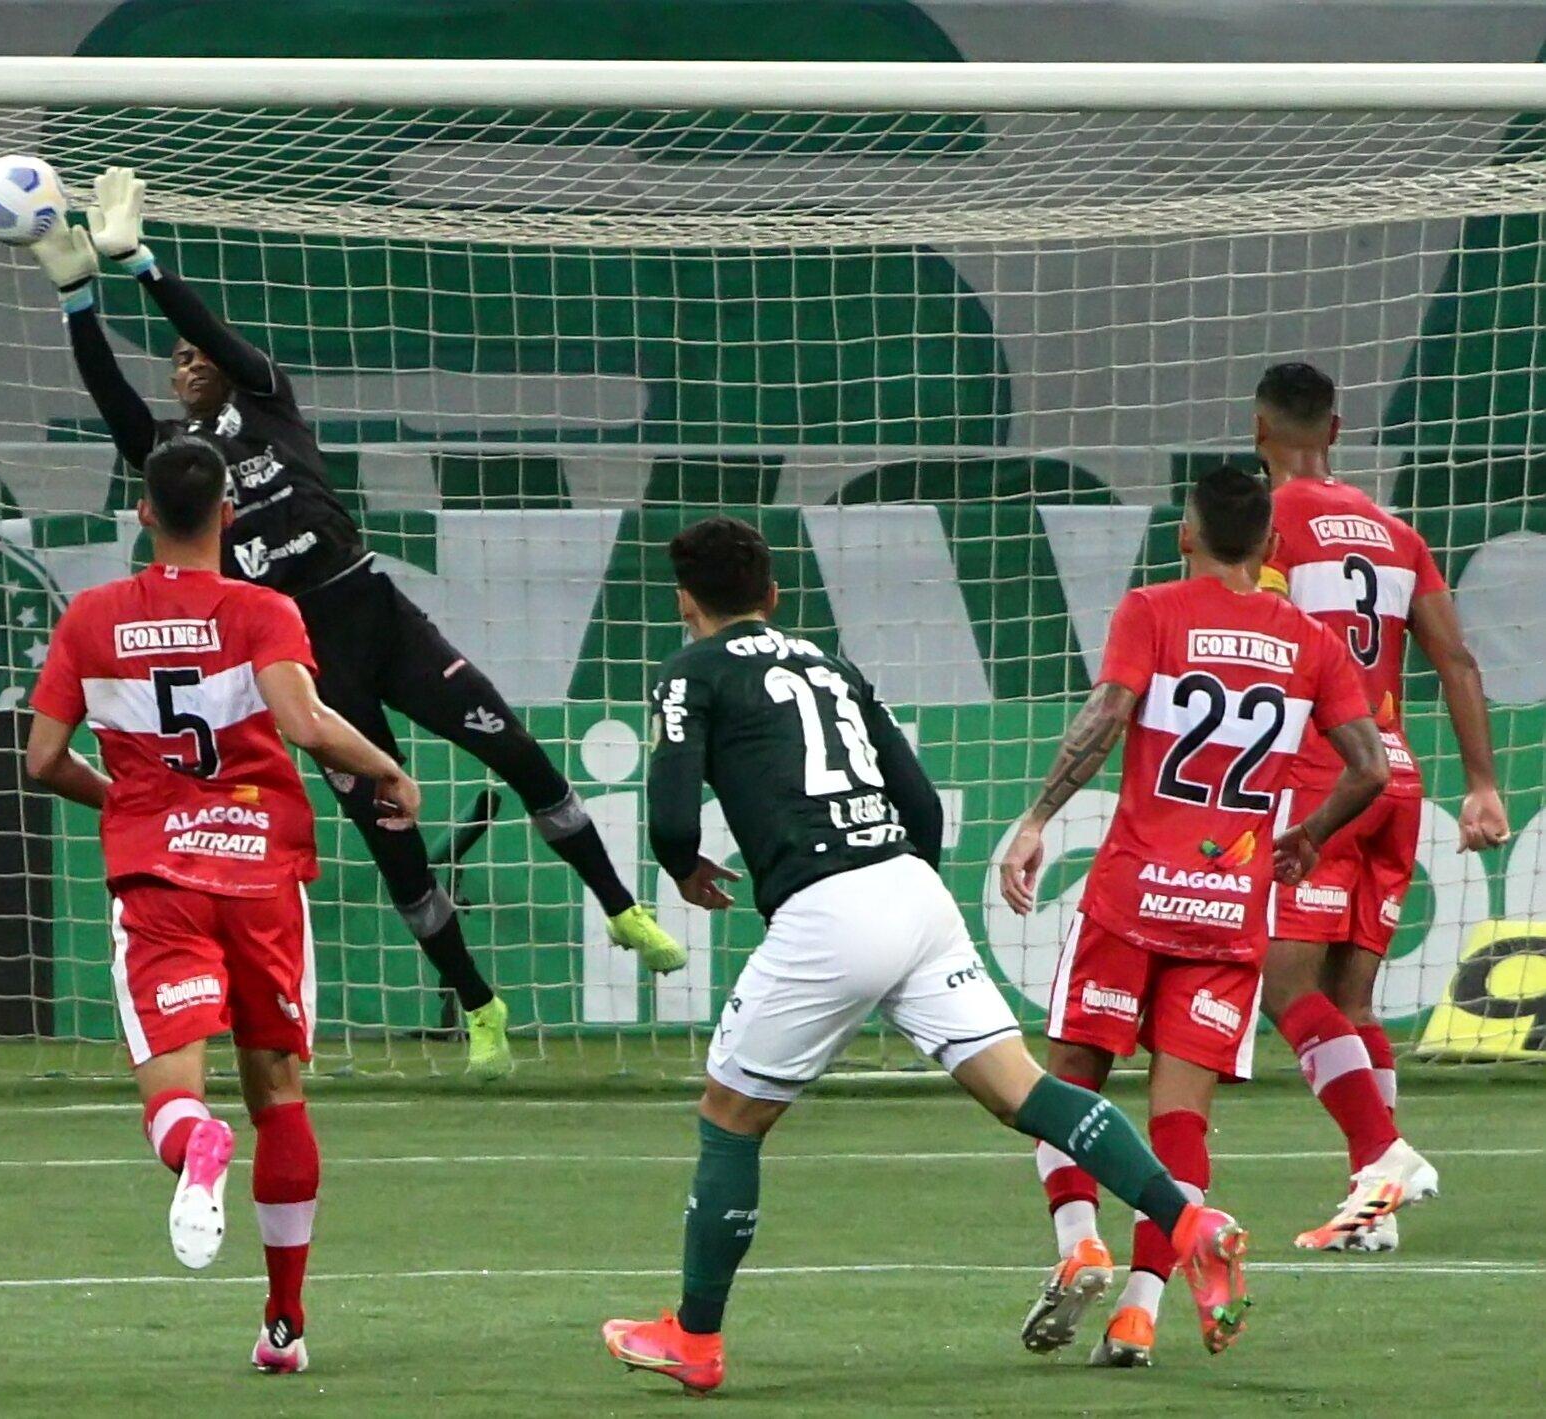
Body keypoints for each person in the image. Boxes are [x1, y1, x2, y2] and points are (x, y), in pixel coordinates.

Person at [22, 167, 684, 1077]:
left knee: (519, 752)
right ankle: (481, 1006)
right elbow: (111, 401)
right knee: (393, 842)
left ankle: (618, 907)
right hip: (302, 664)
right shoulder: (175, 462)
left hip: (377, 615)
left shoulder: (269, 406)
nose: (190, 361)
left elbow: (220, 337)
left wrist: (146, 268)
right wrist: (78, 304)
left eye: (197, 352)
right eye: (175, 357)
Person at [601, 515, 1250, 1397]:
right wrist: (901, 903)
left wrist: (682, 865)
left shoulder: (689, 674)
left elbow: (673, 818)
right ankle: (1185, 1223)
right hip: (911, 889)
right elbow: (917, 800)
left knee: (730, 1115)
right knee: (1024, 1090)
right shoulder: (831, 665)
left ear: (686, 600)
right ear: (774, 593)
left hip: (827, 907)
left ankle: (696, 1337)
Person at [26, 434, 422, 1374]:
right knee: (280, 1097)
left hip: (158, 879)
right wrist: (386, 767)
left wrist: (127, 798)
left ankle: (198, 1143)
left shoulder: (91, 618)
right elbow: (302, 723)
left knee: (174, 1096)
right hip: (260, 874)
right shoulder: (262, 608)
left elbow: (42, 760)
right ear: (230, 519)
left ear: (143, 515)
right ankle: (284, 1325)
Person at [998, 465, 1392, 1369]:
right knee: (1180, 1117)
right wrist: (1308, 836)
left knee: (1065, 1081)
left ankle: (1077, 1245)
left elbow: (1106, 715)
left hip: (1133, 895)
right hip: (1228, 909)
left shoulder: (1152, 608)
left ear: (1186, 533)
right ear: (1271, 547)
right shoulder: (1308, 640)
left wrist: (1036, 819)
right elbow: (1368, 766)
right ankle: (1138, 1314)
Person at [1252, 362, 1507, 1251]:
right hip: (1398, 778)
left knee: (1282, 986)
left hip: (1322, 774)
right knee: (1351, 1002)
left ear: (1257, 430)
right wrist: (1481, 784)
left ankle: (1383, 1150)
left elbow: (1255, 643)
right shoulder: (1397, 531)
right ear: (1337, 427)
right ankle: (1372, 1211)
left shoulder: (1267, 522)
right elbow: (1457, 660)